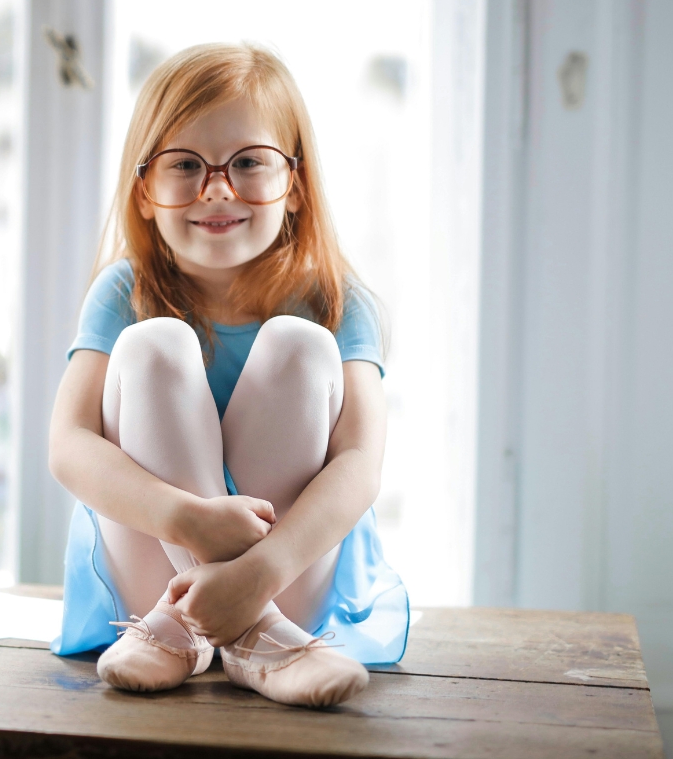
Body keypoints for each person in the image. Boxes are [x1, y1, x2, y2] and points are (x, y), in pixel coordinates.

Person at [48, 44, 409, 708]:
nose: (217, 188)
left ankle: (244, 620)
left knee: (300, 346)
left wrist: (261, 570)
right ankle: (259, 641)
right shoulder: (122, 292)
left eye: (248, 163)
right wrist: (186, 519)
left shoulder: (336, 300)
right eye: (185, 165)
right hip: (151, 574)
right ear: (145, 191)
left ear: (296, 185)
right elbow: (68, 446)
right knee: (153, 345)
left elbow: (360, 464)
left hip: (287, 570)